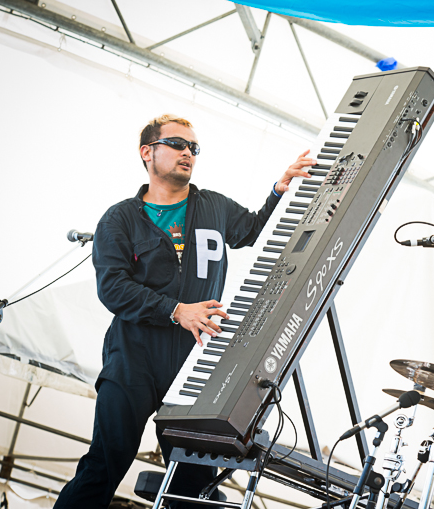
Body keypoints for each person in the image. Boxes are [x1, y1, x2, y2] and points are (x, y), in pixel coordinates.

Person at [54, 115, 316, 508]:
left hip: (196, 361)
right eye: (177, 144)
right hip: (133, 356)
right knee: (105, 464)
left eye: (194, 147)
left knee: (193, 480)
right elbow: (112, 288)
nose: (187, 153)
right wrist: (176, 310)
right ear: (147, 152)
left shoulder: (214, 206)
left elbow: (254, 230)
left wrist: (280, 190)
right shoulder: (119, 219)